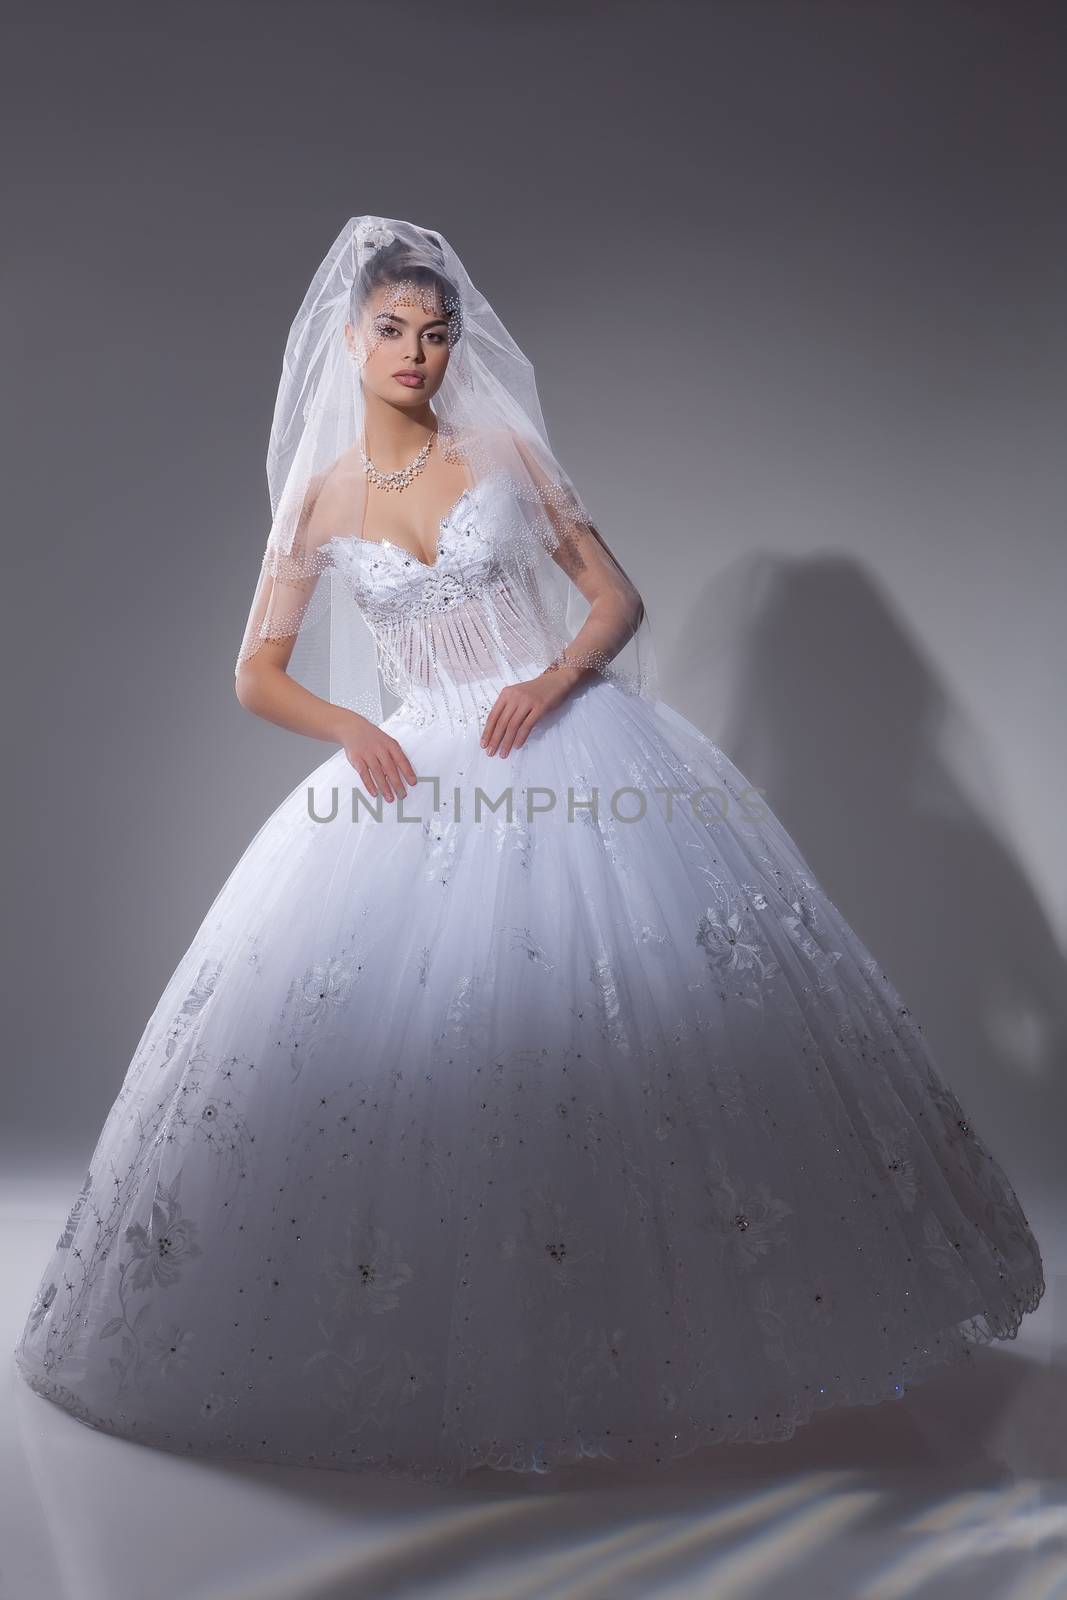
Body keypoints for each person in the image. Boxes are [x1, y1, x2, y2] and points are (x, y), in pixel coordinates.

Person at [13, 217, 1044, 1489]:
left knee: (616, 1032)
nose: (416, 352)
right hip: (410, 767)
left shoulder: (501, 450)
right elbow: (253, 672)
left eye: (435, 332)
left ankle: (661, 1341)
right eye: (391, 329)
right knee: (428, 1059)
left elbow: (614, 597)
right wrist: (349, 731)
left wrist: (551, 679)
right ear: (348, 342)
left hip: (558, 737)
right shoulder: (322, 494)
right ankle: (447, 1352)